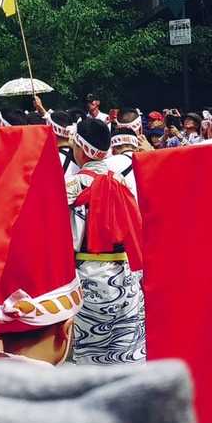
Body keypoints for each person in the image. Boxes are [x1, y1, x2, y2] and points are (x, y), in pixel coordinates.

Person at [66, 118, 144, 364]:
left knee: (89, 356)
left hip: (88, 276)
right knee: (126, 351)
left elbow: (64, 237)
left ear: (81, 149)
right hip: (127, 274)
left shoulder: (71, 186)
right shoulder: (122, 181)